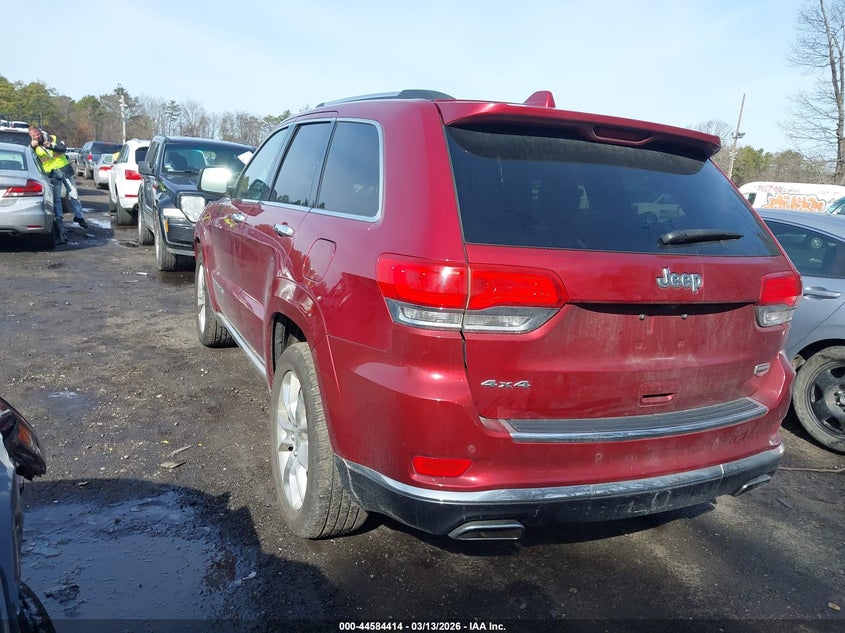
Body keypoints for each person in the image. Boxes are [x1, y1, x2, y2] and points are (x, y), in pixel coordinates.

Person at [28, 125, 87, 242]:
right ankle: (59, 220)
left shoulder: (52, 138)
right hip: (53, 175)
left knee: (74, 194)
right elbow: (31, 158)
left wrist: (51, 146)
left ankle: (79, 217)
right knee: (57, 199)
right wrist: (32, 147)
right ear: (31, 136)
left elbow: (62, 148)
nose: (36, 137)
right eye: (33, 135)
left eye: (37, 134)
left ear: (40, 132)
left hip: (64, 171)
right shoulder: (32, 147)